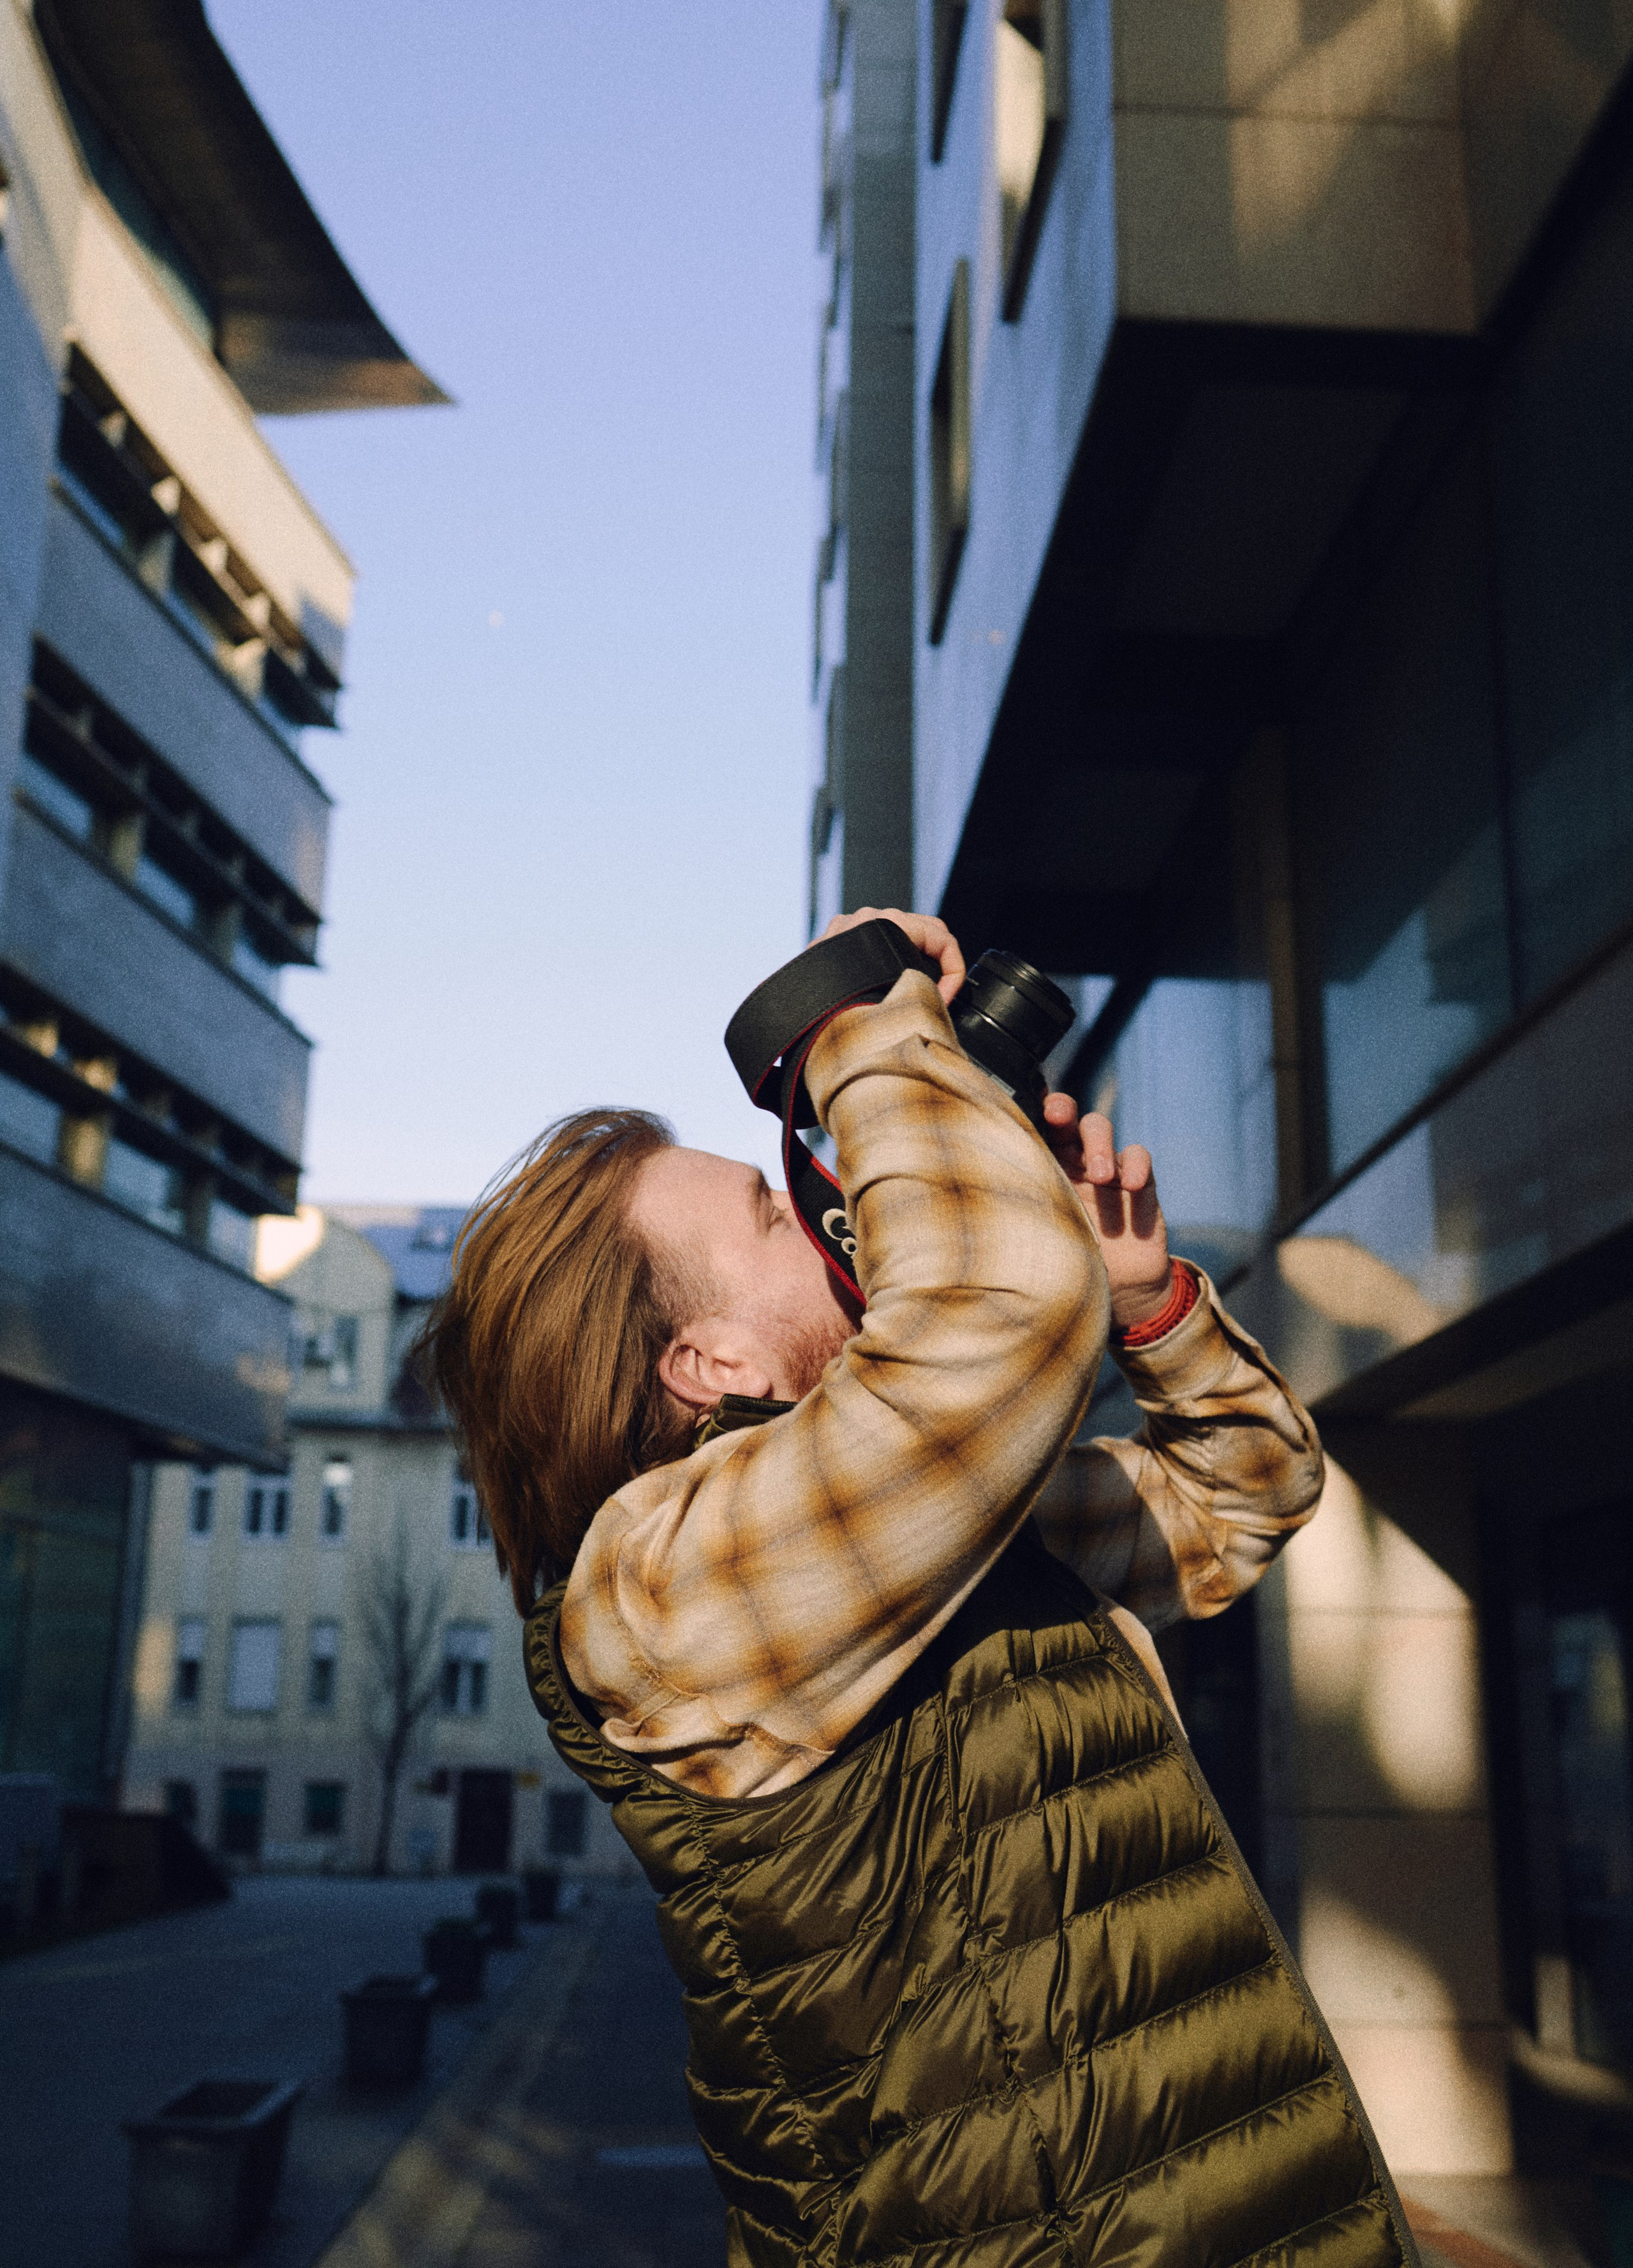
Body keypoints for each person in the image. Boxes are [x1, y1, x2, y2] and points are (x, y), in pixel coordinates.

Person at [424, 908, 1418, 2267]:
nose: (824, 1195)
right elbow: (994, 1305)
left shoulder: (916, 1519)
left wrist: (1140, 1300)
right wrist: (848, 1020)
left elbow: (1240, 1496)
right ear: (702, 1363)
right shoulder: (657, 1589)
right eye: (772, 1206)